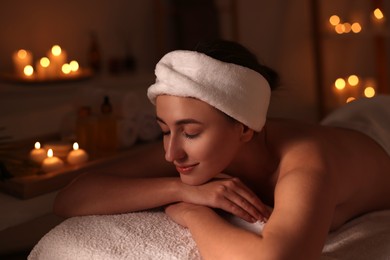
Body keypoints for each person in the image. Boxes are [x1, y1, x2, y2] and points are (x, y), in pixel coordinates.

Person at [54, 40, 390, 259]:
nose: (172, 154)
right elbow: (72, 197)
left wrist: (193, 215)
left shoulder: (307, 163)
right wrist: (179, 190)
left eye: (191, 132)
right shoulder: (200, 146)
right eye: (164, 130)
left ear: (244, 127)